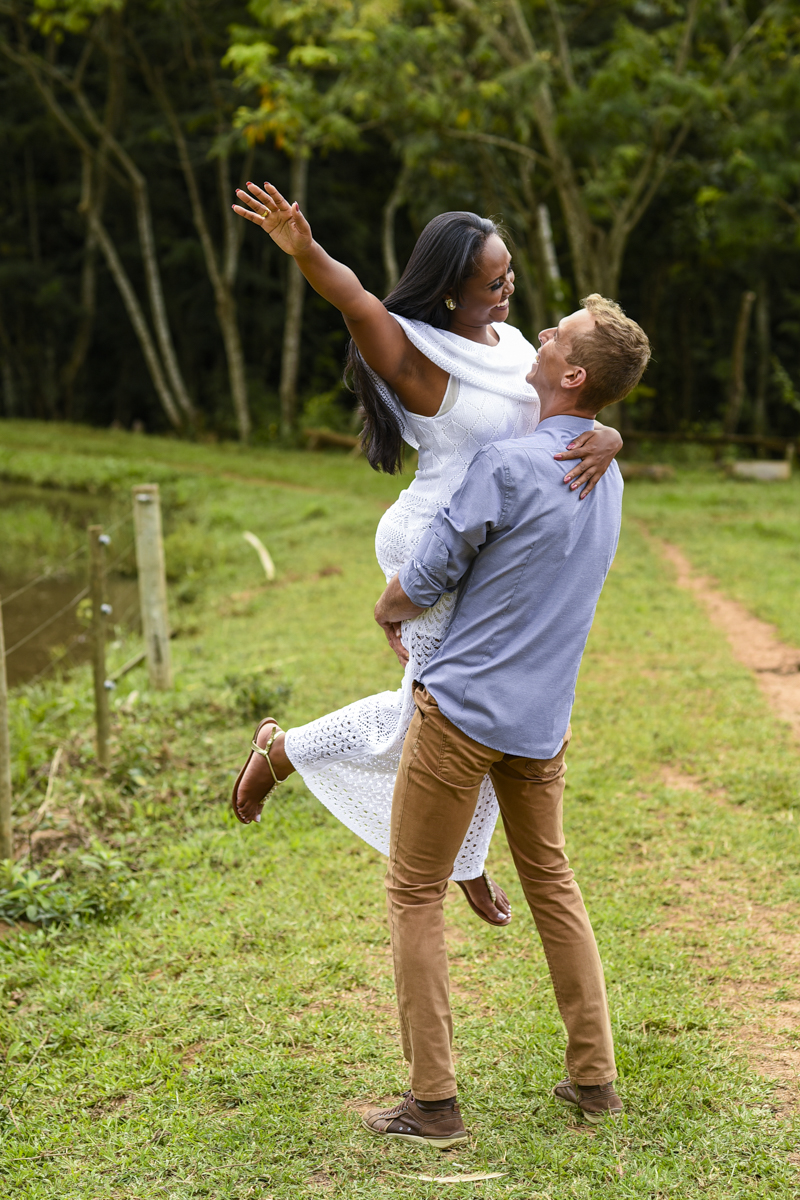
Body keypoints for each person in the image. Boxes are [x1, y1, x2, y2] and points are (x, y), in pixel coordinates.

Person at [230, 181, 622, 923]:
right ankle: (282, 754)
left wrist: (607, 434)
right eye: (493, 281)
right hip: (434, 540)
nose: (509, 290)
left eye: (510, 275)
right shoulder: (419, 357)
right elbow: (356, 303)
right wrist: (305, 247)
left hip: (493, 546)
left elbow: (566, 404)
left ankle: (463, 856)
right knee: (443, 713)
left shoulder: (511, 347)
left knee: (469, 708)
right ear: (450, 291)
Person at [360, 295, 651, 1147]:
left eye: (557, 334)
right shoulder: (606, 472)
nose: (541, 333)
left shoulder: (509, 463)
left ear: (571, 375)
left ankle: (434, 1104)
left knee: (414, 892)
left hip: (459, 713)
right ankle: (594, 1080)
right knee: (554, 886)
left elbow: (433, 567)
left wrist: (387, 608)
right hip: (543, 723)